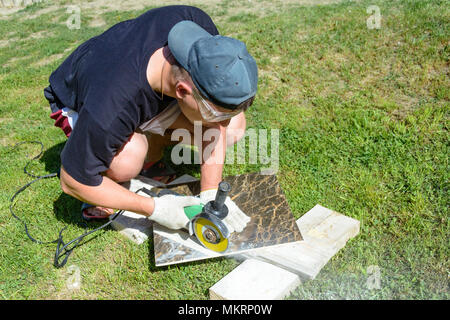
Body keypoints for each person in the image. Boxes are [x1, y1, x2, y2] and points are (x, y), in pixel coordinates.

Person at [43, 5, 258, 233]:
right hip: (83, 95)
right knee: (126, 161)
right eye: (216, 114)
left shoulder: (197, 27)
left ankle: (152, 151)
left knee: (235, 126)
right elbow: (72, 181)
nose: (220, 123)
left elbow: (217, 104)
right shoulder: (109, 107)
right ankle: (110, 182)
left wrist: (210, 192)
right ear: (183, 91)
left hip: (147, 90)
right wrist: (156, 208)